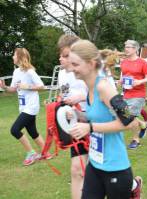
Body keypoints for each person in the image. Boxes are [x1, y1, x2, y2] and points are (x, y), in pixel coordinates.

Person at [68, 40, 142, 199]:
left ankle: (134, 188)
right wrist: (79, 116)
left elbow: (129, 121)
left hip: (116, 168)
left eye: (75, 64)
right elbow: (99, 116)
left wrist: (90, 128)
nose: (72, 69)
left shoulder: (103, 87)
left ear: (91, 63)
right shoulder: (90, 86)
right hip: (95, 164)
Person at [0, 48, 50, 166]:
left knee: (15, 130)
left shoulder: (30, 72)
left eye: (14, 55)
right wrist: (5, 87)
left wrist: (26, 86)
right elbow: (13, 89)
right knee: (33, 132)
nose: (12, 57)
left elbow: (42, 86)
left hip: (31, 107)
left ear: (20, 57)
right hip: (23, 107)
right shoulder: (16, 72)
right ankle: (45, 153)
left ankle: (31, 153)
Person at [56, 34, 89, 199]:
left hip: (96, 124)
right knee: (77, 169)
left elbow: (109, 100)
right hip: (76, 124)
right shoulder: (63, 73)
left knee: (104, 171)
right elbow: (65, 94)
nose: (61, 59)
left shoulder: (93, 70)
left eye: (66, 55)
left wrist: (81, 98)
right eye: (61, 55)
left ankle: (132, 186)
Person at [120, 40, 147, 149]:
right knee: (123, 114)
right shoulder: (123, 62)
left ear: (135, 49)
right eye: (125, 46)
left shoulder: (142, 62)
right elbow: (123, 75)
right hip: (126, 92)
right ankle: (143, 125)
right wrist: (120, 81)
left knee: (131, 116)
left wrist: (139, 81)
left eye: (128, 47)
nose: (126, 49)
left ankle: (136, 140)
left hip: (138, 93)